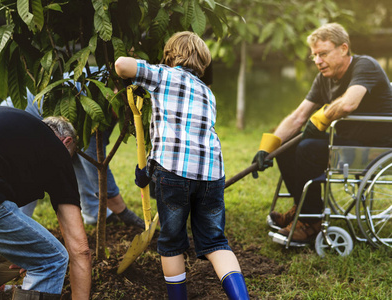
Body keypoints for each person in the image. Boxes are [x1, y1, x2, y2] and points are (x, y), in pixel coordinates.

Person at [115, 31, 249, 300]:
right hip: (212, 173)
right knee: (215, 241)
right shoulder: (207, 93)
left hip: (174, 173)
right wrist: (149, 171)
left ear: (171, 55)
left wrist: (150, 171)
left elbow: (121, 64)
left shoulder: (164, 75)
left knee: (172, 242)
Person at [252, 23, 392, 242]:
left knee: (308, 149)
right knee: (285, 148)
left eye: (323, 54)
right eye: (314, 56)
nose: (317, 61)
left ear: (344, 48)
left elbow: (348, 104)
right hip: (346, 142)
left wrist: (321, 118)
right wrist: (268, 147)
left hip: (375, 146)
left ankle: (310, 221)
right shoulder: (324, 79)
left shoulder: (365, 66)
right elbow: (298, 116)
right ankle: (305, 211)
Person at [0, 69, 144, 229]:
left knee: (73, 154)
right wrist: (123, 212)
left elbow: (85, 155)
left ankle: (93, 212)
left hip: (20, 117)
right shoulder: (97, 97)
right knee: (34, 172)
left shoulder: (107, 78)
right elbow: (94, 159)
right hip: (21, 118)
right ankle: (16, 225)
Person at [0, 107, 91, 299]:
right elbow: (81, 250)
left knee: (32, 248)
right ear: (67, 142)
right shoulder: (56, 150)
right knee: (51, 259)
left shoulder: (15, 130)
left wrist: (28, 251)